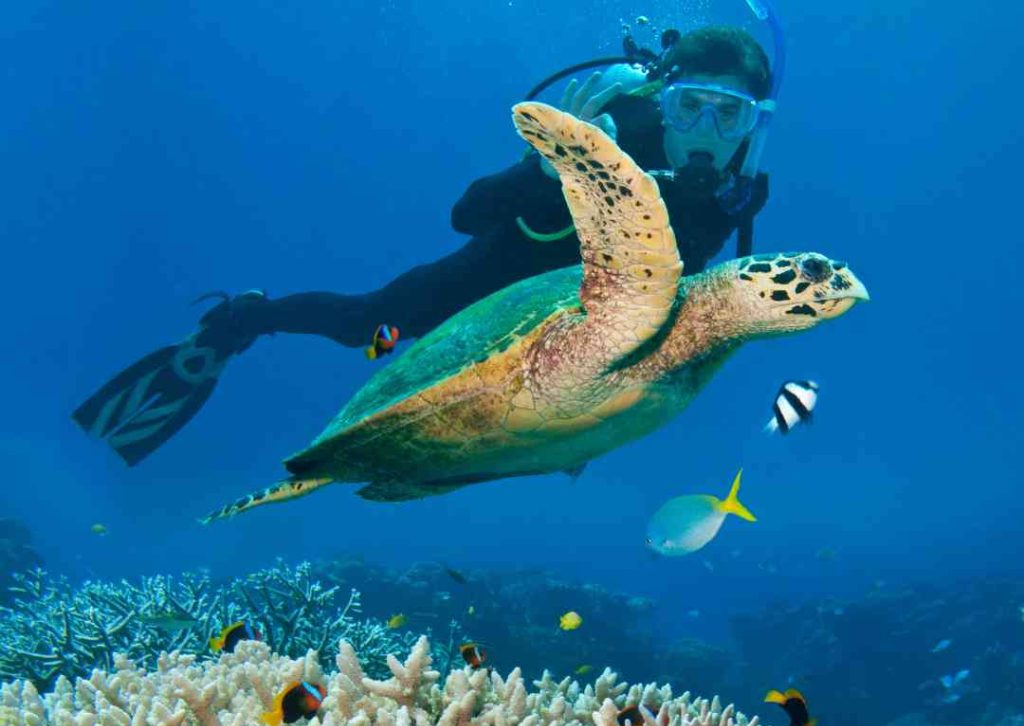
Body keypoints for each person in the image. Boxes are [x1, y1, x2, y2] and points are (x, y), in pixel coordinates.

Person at [74, 17, 781, 466]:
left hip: (569, 338)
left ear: (754, 123)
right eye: (691, 106)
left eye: (730, 116)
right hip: (485, 283)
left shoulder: (739, 188)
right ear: (665, 101)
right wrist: (553, 165)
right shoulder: (606, 140)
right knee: (368, 329)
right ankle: (243, 320)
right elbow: (466, 213)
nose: (706, 133)